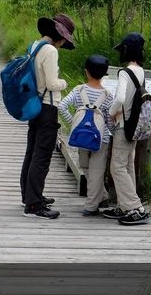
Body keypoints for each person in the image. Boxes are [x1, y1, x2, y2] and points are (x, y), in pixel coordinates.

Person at [20, 13, 75, 219]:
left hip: (34, 105)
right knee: (42, 156)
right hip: (47, 106)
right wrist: (65, 83)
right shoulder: (50, 50)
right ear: (59, 37)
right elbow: (52, 83)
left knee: (32, 151)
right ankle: (34, 206)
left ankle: (29, 195)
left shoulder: (34, 46)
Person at [102, 32, 151, 225]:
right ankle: (125, 205)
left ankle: (134, 207)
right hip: (136, 125)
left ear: (125, 50)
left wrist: (112, 113)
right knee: (128, 165)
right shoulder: (141, 71)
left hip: (124, 124)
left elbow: (121, 98)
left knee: (117, 167)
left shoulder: (124, 72)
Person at [58, 54, 115, 217]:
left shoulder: (78, 90)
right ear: (105, 75)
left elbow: (61, 106)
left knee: (85, 166)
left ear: (86, 72)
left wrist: (73, 124)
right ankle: (97, 200)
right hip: (100, 139)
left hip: (81, 137)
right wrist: (110, 131)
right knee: (97, 170)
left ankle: (93, 203)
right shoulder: (108, 96)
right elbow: (110, 121)